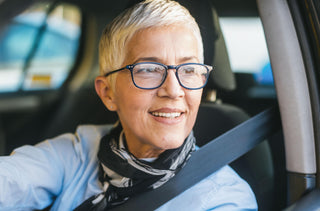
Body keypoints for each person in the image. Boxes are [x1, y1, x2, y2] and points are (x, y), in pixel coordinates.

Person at [0, 0, 258, 210]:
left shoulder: (223, 199)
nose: (173, 90)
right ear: (108, 93)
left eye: (189, 69)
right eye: (148, 69)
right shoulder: (80, 151)